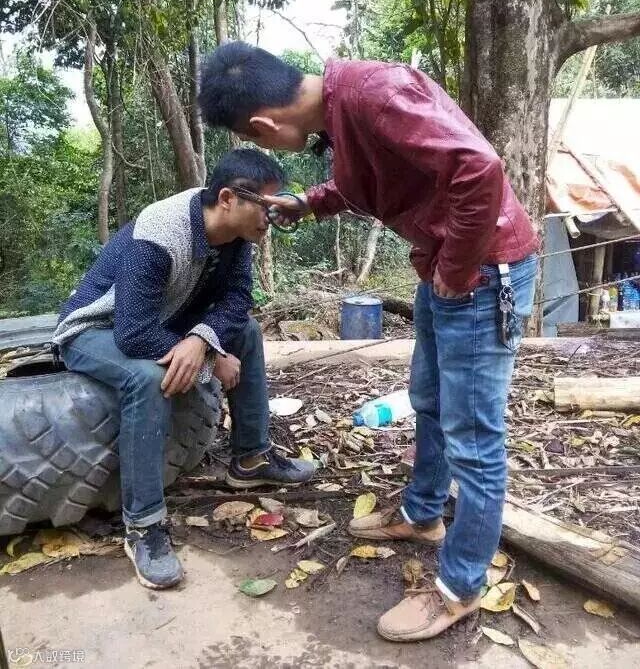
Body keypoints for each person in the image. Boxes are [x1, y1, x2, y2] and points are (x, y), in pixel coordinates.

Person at [198, 43, 539, 641]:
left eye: (254, 140)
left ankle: (460, 587)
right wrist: (309, 202)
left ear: (263, 126)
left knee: (475, 440)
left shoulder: (377, 95)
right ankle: (423, 514)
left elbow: (480, 168)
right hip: (445, 265)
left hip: (481, 273)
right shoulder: (342, 113)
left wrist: (457, 269)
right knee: (428, 399)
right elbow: (368, 182)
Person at [52, 149, 315, 590]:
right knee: (148, 378)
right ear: (228, 198)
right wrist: (213, 359)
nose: (273, 216)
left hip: (160, 320)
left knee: (247, 331)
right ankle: (143, 525)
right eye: (266, 205)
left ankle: (250, 458)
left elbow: (238, 299)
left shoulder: (236, 235)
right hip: (96, 329)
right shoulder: (160, 231)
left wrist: (202, 341)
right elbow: (133, 334)